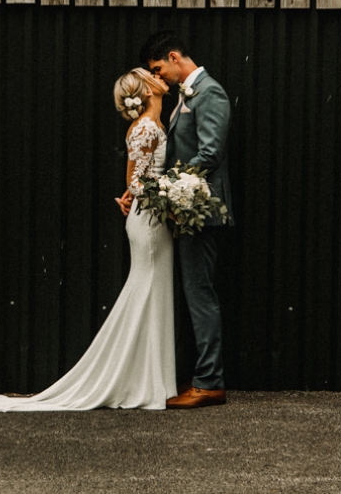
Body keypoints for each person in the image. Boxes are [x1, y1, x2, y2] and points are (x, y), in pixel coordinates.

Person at [0, 68, 175, 412]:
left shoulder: (152, 124)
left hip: (150, 218)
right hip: (149, 222)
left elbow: (131, 180)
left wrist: (142, 193)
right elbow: (141, 183)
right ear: (146, 89)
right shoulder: (145, 127)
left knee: (152, 291)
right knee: (146, 290)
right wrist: (175, 195)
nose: (160, 76)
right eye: (152, 75)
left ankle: (148, 378)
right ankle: (140, 380)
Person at [118, 31, 233, 409]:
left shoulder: (209, 93)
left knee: (200, 295)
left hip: (200, 212)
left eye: (158, 69)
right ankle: (198, 375)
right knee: (192, 294)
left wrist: (166, 187)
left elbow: (210, 153)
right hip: (183, 210)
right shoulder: (183, 97)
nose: (159, 77)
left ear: (172, 57)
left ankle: (209, 382)